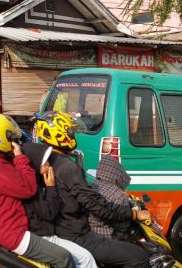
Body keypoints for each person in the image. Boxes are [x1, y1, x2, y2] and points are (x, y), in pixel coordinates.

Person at [35, 111, 151, 268]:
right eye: (70, 132)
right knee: (139, 257)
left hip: (56, 230)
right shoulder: (67, 167)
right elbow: (97, 206)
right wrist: (133, 214)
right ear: (59, 135)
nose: (73, 136)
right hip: (75, 234)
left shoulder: (41, 161)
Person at [0, 112, 74, 268]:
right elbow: (28, 188)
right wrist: (20, 158)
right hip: (9, 231)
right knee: (63, 257)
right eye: (9, 136)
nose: (13, 141)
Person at [22, 142, 97, 268]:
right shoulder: (32, 187)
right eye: (44, 162)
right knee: (85, 258)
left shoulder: (37, 181)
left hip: (45, 233)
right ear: (34, 163)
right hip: (42, 236)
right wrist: (51, 187)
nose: (49, 165)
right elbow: (49, 213)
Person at [89, 154, 134, 240]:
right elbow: (122, 226)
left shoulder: (91, 185)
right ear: (118, 175)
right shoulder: (118, 195)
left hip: (88, 234)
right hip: (106, 238)